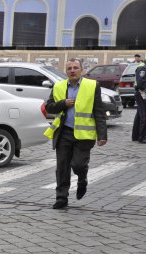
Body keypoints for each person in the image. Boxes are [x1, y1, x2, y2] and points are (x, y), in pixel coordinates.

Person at [44, 58, 107, 209]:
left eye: (75, 68)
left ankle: (82, 178)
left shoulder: (92, 86)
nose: (72, 70)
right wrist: (63, 103)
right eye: (69, 68)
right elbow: (49, 108)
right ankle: (61, 198)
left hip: (84, 134)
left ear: (81, 70)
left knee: (78, 165)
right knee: (62, 166)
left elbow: (99, 111)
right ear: (66, 71)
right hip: (64, 132)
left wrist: (102, 135)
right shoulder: (59, 86)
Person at [132, 59, 146, 143]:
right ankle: (142, 137)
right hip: (142, 94)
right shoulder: (142, 67)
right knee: (144, 116)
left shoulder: (142, 66)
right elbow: (141, 83)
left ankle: (136, 136)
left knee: (139, 116)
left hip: (140, 93)